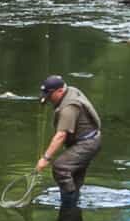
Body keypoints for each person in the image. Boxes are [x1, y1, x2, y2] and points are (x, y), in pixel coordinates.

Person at [34, 75, 102, 209]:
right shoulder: (69, 90)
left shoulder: (69, 107)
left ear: (60, 91)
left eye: (50, 95)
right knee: (74, 177)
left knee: (61, 167)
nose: (49, 100)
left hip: (87, 142)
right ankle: (74, 212)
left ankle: (68, 205)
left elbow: (61, 135)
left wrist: (45, 158)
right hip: (88, 139)